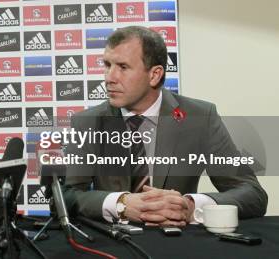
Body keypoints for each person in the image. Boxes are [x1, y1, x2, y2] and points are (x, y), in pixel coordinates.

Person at [62, 26, 267, 226]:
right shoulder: (88, 123)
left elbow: (252, 193)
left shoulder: (200, 117)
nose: (109, 78)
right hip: (113, 244)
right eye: (107, 65)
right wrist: (120, 204)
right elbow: (65, 196)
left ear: (154, 75)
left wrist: (191, 206)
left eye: (123, 67)